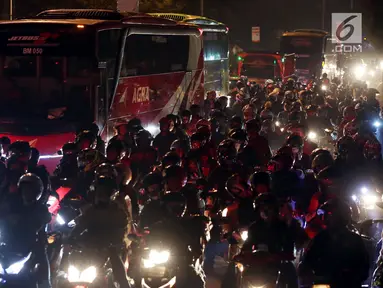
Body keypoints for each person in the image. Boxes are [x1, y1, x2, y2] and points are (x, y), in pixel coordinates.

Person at [69, 164, 131, 288]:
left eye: (105, 191)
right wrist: (70, 237)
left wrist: (112, 242)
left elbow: (121, 231)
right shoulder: (90, 210)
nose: (101, 194)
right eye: (99, 191)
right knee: (66, 265)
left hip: (109, 248)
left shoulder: (118, 211)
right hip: (90, 248)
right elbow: (81, 225)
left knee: (118, 271)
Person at [299, 199, 370, 288]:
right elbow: (308, 260)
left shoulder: (354, 240)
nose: (325, 217)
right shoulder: (321, 238)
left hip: (347, 284)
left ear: (340, 216)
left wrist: (349, 276)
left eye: (329, 214)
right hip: (323, 282)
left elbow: (363, 268)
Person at [0, 174, 52, 288]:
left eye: (30, 189)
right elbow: (2, 214)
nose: (27, 192)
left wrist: (31, 222)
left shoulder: (40, 208)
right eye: (25, 189)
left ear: (36, 191)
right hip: (9, 245)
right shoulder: (13, 205)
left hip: (31, 246)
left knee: (43, 268)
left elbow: (46, 217)